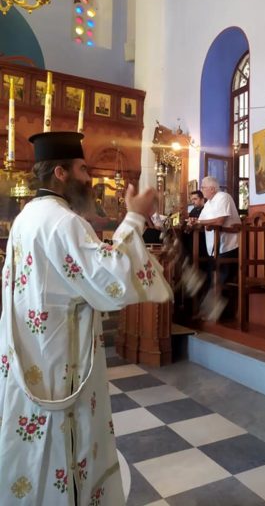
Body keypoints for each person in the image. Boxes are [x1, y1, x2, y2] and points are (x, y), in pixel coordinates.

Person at [0, 131, 172, 505]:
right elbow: (112, 279)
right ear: (60, 173)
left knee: (36, 452)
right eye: (82, 169)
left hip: (31, 354)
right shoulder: (63, 222)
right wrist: (135, 217)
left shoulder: (27, 217)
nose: (89, 178)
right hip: (60, 362)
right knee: (63, 443)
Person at [190, 177, 241, 319]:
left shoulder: (223, 197)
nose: (202, 190)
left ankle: (219, 314)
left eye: (203, 187)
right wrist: (194, 222)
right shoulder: (208, 203)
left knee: (220, 278)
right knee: (211, 278)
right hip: (213, 247)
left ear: (212, 189)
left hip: (228, 246)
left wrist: (200, 222)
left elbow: (220, 221)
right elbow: (201, 221)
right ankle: (209, 312)